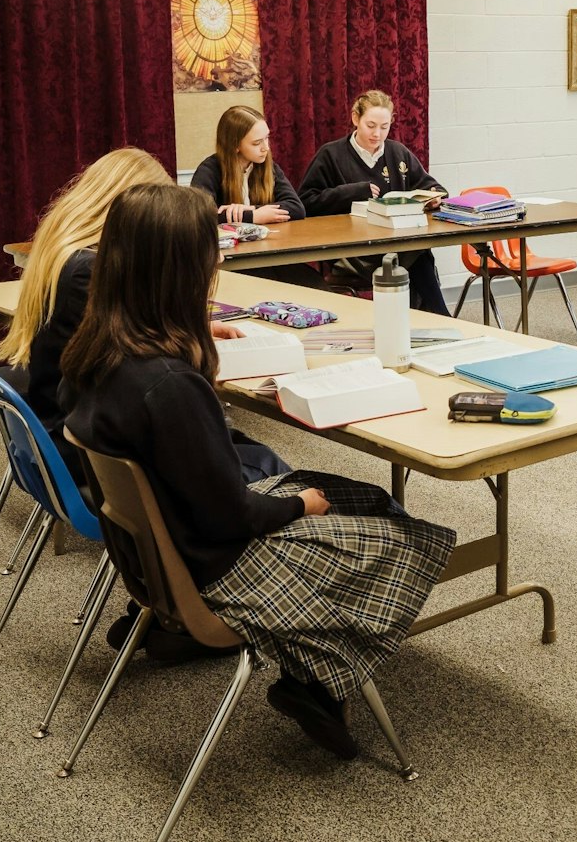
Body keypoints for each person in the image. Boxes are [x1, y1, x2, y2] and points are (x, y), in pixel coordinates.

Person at [62, 184, 455, 759]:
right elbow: (234, 514)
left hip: (164, 551)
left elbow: (207, 488)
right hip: (216, 563)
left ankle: (315, 662)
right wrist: (301, 506)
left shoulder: (100, 350)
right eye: (210, 250)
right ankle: (316, 676)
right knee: (409, 537)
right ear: (183, 268)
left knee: (365, 496)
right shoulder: (168, 386)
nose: (219, 259)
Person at [0, 148, 289, 487]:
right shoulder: (87, 271)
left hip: (68, 423)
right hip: (90, 446)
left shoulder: (66, 250)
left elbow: (116, 330)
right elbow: (138, 364)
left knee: (239, 448)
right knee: (265, 465)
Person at [299, 89, 450, 314]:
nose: (377, 134)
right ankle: (438, 317)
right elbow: (306, 202)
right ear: (355, 119)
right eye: (370, 125)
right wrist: (354, 192)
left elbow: (432, 187)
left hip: (396, 245)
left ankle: (429, 319)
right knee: (416, 256)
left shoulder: (398, 153)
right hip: (353, 251)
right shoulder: (331, 155)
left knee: (418, 251)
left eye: (384, 127)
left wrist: (433, 198)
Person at [189, 105, 305, 225]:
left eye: (266, 138)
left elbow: (296, 208)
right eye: (257, 143)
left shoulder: (269, 167)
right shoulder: (210, 170)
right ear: (235, 146)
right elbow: (199, 215)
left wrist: (252, 209)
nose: (266, 148)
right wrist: (252, 217)